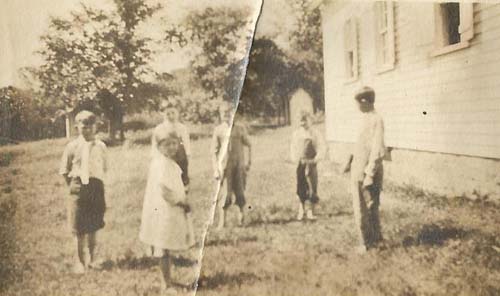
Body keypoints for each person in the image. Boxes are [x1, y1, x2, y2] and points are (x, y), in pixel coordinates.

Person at [139, 129, 195, 293]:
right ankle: (166, 283)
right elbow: (164, 190)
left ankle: (168, 279)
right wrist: (181, 202)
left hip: (166, 209)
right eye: (166, 144)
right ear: (158, 146)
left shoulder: (167, 162)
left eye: (174, 143)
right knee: (163, 245)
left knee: (165, 245)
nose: (171, 147)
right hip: (165, 210)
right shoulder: (162, 164)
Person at [59, 110, 107, 274]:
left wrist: (97, 184)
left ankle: (93, 259)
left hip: (95, 187)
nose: (86, 130)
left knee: (93, 226)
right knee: (79, 228)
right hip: (78, 186)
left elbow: (104, 167)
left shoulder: (101, 146)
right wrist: (73, 186)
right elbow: (64, 170)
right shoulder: (72, 147)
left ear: (96, 127)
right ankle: (80, 262)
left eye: (90, 126)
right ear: (77, 127)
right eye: (83, 126)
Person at [342, 86, 386, 253]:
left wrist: (369, 173)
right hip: (358, 167)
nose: (356, 107)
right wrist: (349, 161)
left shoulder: (376, 120)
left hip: (368, 170)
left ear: (365, 102)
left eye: (357, 103)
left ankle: (368, 243)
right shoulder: (363, 119)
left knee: (367, 207)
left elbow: (376, 149)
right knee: (362, 206)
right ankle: (374, 240)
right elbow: (359, 144)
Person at [211, 102, 252, 229]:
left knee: (240, 191)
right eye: (224, 113)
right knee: (225, 194)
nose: (227, 116)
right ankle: (222, 222)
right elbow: (214, 152)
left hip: (239, 165)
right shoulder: (218, 130)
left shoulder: (240, 129)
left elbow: (249, 145)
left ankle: (242, 218)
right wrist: (216, 169)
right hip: (225, 167)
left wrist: (248, 162)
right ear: (220, 115)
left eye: (230, 113)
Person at [290, 111, 325, 221]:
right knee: (301, 185)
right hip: (301, 163)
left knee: (311, 186)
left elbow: (321, 147)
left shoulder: (315, 133)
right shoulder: (296, 134)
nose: (303, 124)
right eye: (301, 122)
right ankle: (301, 208)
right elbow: (293, 148)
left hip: (311, 163)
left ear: (310, 121)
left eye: (305, 121)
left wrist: (316, 159)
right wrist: (295, 159)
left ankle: (310, 210)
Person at [152, 100, 191, 190]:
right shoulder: (159, 129)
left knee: (181, 177)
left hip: (180, 157)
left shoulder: (182, 128)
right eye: (168, 114)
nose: (171, 116)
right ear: (163, 114)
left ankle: (183, 192)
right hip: (165, 157)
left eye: (173, 113)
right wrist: (156, 158)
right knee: (167, 180)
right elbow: (155, 146)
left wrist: (188, 155)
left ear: (177, 113)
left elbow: (186, 143)